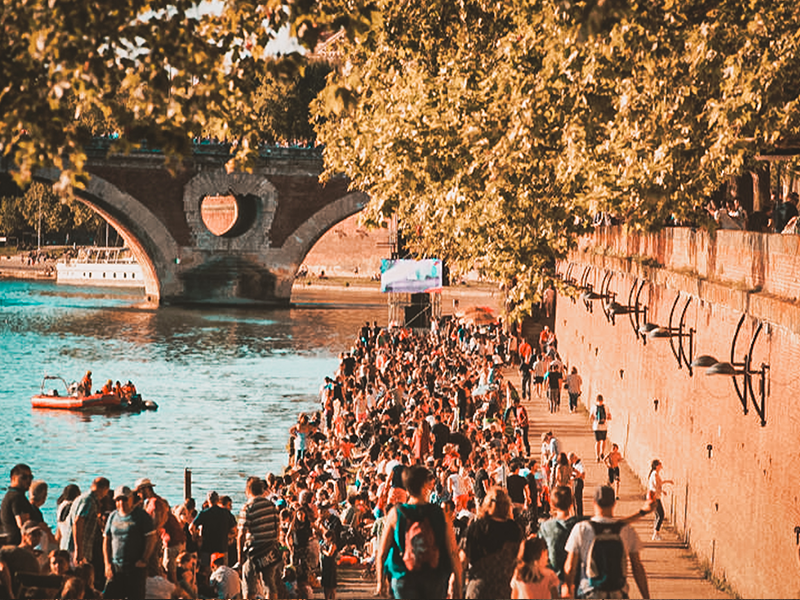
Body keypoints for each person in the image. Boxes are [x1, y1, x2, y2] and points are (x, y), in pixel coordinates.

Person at [374, 465, 462, 599]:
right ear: (425, 485)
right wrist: (458, 585)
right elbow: (453, 552)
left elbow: (382, 552)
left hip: (403, 577)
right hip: (434, 577)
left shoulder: (396, 513)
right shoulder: (440, 514)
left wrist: (380, 581)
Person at [564, 486, 650, 599]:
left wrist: (568, 590)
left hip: (590, 592)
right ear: (614, 503)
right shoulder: (626, 530)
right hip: (619, 593)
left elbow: (570, 567)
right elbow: (637, 567)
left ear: (593, 502)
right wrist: (646, 596)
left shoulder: (581, 529)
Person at [460, 486, 522, 599]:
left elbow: (462, 561)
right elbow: (521, 560)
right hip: (504, 589)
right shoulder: (514, 529)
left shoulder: (475, 528)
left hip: (479, 589)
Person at [102, 485, 157, 600]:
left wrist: (144, 559)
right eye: (118, 499)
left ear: (131, 499)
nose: (121, 502)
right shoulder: (113, 516)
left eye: (125, 499)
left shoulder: (141, 516)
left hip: (135, 567)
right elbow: (106, 540)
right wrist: (107, 564)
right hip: (116, 566)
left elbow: (151, 538)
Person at [237, 476, 280, 600]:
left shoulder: (248, 507)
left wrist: (240, 558)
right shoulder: (271, 505)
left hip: (253, 551)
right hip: (269, 548)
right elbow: (277, 528)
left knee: (249, 587)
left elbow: (241, 534)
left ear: (248, 490)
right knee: (270, 584)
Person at [134, 478, 185, 583]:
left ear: (146, 489)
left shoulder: (156, 502)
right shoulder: (151, 502)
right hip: (167, 539)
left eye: (139, 491)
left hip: (171, 540)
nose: (139, 494)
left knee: (167, 570)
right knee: (164, 567)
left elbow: (158, 523)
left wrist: (149, 539)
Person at [65, 477, 111, 568]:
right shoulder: (88, 500)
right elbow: (78, 522)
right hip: (76, 549)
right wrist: (78, 550)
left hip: (76, 547)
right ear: (105, 489)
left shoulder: (84, 498)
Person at [191, 490, 237, 571]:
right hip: (222, 546)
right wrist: (228, 536)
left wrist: (195, 536)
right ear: (218, 500)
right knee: (223, 570)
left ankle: (208, 583)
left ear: (208, 500)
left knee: (206, 570)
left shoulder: (204, 513)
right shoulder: (226, 513)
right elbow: (234, 530)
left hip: (207, 546)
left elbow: (191, 527)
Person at [0, 463, 33, 546]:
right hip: (16, 543)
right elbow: (22, 523)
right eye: (24, 477)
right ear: (13, 478)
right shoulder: (16, 497)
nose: (28, 480)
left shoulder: (10, 495)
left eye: (31, 477)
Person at [647, 460, 673, 541]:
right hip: (654, 497)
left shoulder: (654, 474)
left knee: (658, 515)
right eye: (660, 464)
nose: (661, 465)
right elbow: (657, 485)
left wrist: (667, 482)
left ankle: (655, 533)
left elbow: (658, 484)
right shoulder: (654, 474)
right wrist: (661, 490)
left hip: (653, 496)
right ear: (657, 466)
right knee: (661, 515)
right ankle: (656, 534)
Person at [319, 528, 338, 600]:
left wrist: (323, 550)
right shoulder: (324, 544)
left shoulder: (333, 544)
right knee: (326, 586)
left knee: (332, 586)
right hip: (325, 566)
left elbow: (330, 553)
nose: (325, 540)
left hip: (331, 567)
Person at [591, 394, 611, 461]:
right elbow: (609, 416)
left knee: (597, 442)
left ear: (596, 399)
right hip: (604, 427)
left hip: (596, 427)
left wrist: (595, 419)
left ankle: (597, 456)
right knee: (603, 441)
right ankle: (602, 453)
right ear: (602, 399)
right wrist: (605, 419)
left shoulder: (594, 407)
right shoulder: (606, 407)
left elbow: (591, 417)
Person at [569, 453, 586, 518]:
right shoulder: (574, 464)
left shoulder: (579, 464)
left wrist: (575, 476)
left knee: (578, 499)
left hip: (578, 482)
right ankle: (576, 514)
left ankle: (579, 515)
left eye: (571, 460)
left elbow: (582, 474)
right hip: (574, 482)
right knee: (574, 499)